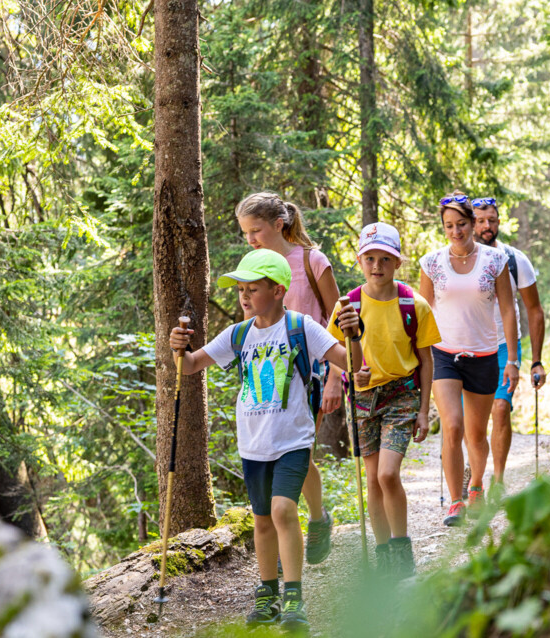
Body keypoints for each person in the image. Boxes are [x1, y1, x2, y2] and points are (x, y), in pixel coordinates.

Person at [169, 248, 362, 632]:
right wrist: (178, 347)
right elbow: (190, 367)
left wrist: (354, 334)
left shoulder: (300, 326)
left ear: (277, 291)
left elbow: (353, 365)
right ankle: (268, 592)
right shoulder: (238, 333)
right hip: (253, 444)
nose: (243, 296)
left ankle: (293, 596)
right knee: (261, 521)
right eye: (240, 289)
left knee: (283, 511)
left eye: (252, 289)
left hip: (292, 439)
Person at [326, 222, 441, 577]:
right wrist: (343, 378)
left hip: (401, 394)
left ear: (397, 262)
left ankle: (401, 549)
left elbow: (426, 359)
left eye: (385, 259)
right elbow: (335, 353)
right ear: (360, 260)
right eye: (370, 258)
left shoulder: (413, 304)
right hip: (362, 398)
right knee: (372, 479)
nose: (377, 266)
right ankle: (382, 554)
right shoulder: (348, 305)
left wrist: (424, 410)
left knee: (389, 474)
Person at [235, 192, 341, 564]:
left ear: (278, 224)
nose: (250, 239)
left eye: (256, 230)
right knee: (286, 453)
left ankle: (307, 520)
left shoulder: (312, 260)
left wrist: (335, 378)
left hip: (310, 371)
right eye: (245, 232)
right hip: (268, 373)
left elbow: (338, 320)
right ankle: (301, 524)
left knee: (299, 450)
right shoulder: (254, 264)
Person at [418, 191, 519, 526]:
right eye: (449, 226)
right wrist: (417, 358)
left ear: (473, 223)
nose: (455, 232)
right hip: (444, 354)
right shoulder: (432, 262)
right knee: (453, 425)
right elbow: (424, 311)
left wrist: (513, 359)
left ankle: (476, 485)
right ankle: (456, 501)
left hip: (485, 355)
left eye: (461, 224)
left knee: (476, 434)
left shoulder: (494, 260)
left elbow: (507, 309)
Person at [472, 197, 547, 487]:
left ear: (499, 221)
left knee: (500, 408)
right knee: (472, 420)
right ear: (471, 223)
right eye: (480, 220)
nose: (486, 226)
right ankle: (474, 471)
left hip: (505, 345)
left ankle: (498, 480)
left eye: (491, 220)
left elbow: (535, 310)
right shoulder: (459, 261)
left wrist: (536, 361)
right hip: (469, 347)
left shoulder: (515, 260)